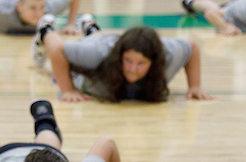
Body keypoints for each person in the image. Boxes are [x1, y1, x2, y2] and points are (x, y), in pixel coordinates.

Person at [32, 16, 212, 103]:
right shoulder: (98, 54)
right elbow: (57, 50)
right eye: (128, 61)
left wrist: (195, 86)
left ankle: (90, 26)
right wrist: (68, 90)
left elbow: (192, 47)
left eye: (141, 63)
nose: (133, 69)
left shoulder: (168, 55)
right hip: (99, 48)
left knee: (93, 42)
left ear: (154, 62)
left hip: (103, 43)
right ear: (120, 56)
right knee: (84, 45)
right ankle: (46, 28)